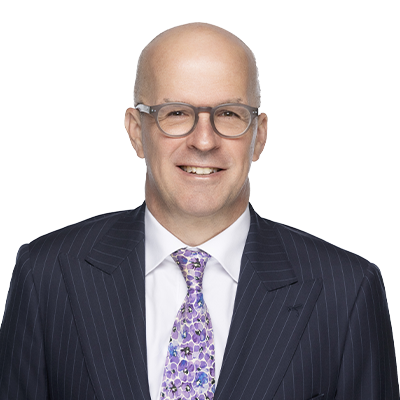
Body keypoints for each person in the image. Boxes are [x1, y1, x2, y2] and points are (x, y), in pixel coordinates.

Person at [0, 22, 398, 400]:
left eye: (229, 113)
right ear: (136, 132)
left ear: (259, 136)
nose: (204, 140)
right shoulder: (46, 275)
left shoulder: (348, 292)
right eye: (175, 113)